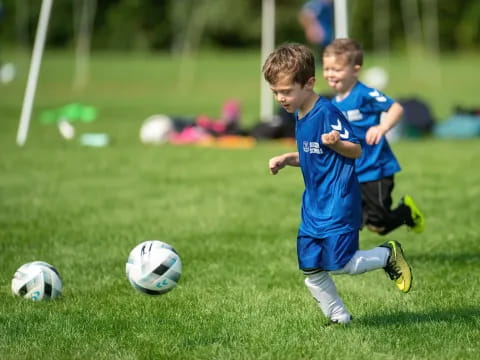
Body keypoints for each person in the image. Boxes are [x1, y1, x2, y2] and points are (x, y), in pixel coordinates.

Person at [263, 43, 413, 325]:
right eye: (275, 92)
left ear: (308, 83)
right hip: (313, 205)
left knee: (344, 264)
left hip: (339, 202)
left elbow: (355, 150)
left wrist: (337, 142)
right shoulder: (299, 113)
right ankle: (339, 317)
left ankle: (386, 254)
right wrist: (287, 158)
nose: (280, 98)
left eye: (285, 91)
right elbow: (313, 154)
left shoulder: (327, 112)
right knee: (311, 270)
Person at [322, 38, 425, 236]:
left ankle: (407, 212)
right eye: (327, 69)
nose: (330, 74)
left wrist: (382, 127)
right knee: (352, 220)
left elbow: (396, 108)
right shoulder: (333, 102)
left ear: (355, 69)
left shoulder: (365, 94)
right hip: (353, 171)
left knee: (380, 224)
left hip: (376, 169)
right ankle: (346, 258)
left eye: (336, 69)